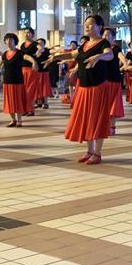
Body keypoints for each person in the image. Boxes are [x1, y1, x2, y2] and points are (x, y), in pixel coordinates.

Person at [50, 15, 114, 164]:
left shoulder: (103, 43)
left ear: (99, 27)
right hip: (84, 87)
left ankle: (97, 153)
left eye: (91, 24)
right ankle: (89, 151)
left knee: (97, 119)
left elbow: (109, 55)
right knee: (87, 119)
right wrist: (55, 58)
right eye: (86, 24)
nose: (87, 26)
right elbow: (73, 55)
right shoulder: (84, 45)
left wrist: (98, 57)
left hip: (98, 86)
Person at [0, 33, 38, 127]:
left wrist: (34, 62)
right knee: (9, 102)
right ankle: (13, 120)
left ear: (15, 42)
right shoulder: (5, 54)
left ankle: (19, 120)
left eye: (11, 40)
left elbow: (28, 57)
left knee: (17, 101)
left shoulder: (19, 53)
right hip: (7, 81)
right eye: (7, 40)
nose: (8, 42)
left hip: (17, 81)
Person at [101, 28, 126, 134]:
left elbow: (121, 56)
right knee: (103, 104)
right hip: (102, 79)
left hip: (114, 79)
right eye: (104, 35)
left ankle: (112, 127)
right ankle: (104, 126)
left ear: (113, 37)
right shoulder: (100, 48)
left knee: (113, 104)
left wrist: (125, 63)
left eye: (108, 35)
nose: (105, 37)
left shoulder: (115, 48)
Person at [19, 27, 40, 115]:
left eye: (28, 32)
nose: (26, 34)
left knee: (30, 90)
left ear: (32, 34)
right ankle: (25, 109)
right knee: (23, 90)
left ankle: (30, 109)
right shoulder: (22, 45)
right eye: (25, 32)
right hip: (22, 69)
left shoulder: (35, 44)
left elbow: (41, 47)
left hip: (32, 69)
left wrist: (40, 50)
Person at [34, 38, 53, 109]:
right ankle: (38, 102)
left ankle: (45, 103)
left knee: (45, 87)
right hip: (36, 72)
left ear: (44, 44)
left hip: (45, 71)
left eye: (41, 43)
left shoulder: (47, 51)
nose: (39, 44)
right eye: (38, 43)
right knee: (37, 88)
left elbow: (51, 56)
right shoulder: (35, 51)